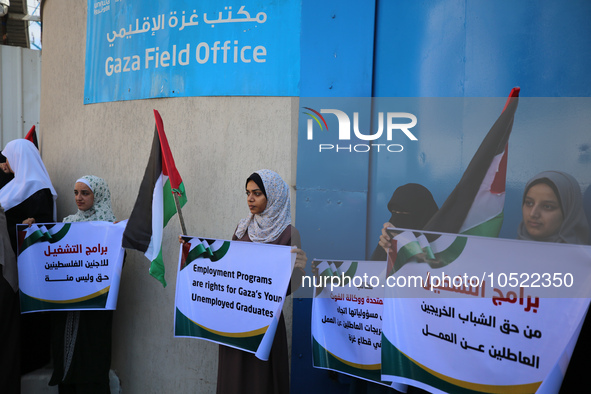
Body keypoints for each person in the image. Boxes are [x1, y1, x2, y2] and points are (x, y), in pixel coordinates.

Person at [216, 169, 307, 394]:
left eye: (257, 193)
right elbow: (227, 269)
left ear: (273, 196)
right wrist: (192, 250)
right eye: (247, 193)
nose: (250, 199)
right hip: (235, 316)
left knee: (260, 381)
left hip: (266, 321)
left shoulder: (289, 234)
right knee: (233, 379)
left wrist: (299, 270)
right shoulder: (242, 228)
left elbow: (289, 287)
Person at [516, 171, 590, 393]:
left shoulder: (584, 269)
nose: (534, 213)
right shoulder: (508, 255)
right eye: (529, 203)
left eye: (547, 207)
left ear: (567, 211)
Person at [49, 175, 117, 393]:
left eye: (85, 193)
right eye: (76, 193)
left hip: (94, 310)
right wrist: (30, 229)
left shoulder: (109, 227)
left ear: (98, 195)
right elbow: (51, 257)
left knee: (92, 360)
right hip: (67, 306)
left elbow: (114, 266)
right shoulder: (68, 224)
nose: (79, 198)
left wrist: (116, 239)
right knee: (66, 358)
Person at [0, 138, 57, 377]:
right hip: (9, 261)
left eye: (7, 158)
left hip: (27, 265)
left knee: (27, 317)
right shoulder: (15, 185)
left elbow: (42, 226)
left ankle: (30, 361)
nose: (4, 164)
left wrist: (25, 225)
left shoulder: (38, 188)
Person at [374, 183, 439, 259]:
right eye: (394, 212)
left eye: (404, 213)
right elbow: (374, 268)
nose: (397, 218)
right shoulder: (389, 238)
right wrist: (388, 250)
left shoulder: (443, 242)